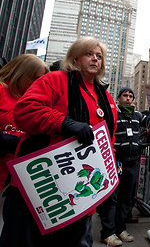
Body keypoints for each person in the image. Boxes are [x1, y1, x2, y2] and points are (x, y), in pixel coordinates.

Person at [0, 37, 117, 247]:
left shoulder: (105, 96)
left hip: (80, 194)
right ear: (75, 57)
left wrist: (110, 168)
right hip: (40, 188)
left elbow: (109, 138)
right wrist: (64, 123)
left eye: (99, 56)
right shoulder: (55, 80)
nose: (95, 59)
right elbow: (25, 110)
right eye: (89, 54)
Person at [97, 87, 150, 246]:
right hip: (115, 162)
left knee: (127, 199)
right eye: (125, 95)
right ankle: (108, 233)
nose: (128, 98)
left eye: (130, 96)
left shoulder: (137, 116)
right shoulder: (112, 114)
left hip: (132, 163)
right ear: (119, 98)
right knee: (112, 199)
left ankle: (120, 229)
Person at [0, 54, 49, 189]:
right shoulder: (2, 90)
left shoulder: (34, 101)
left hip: (14, 176)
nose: (38, 83)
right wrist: (9, 141)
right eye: (35, 78)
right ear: (22, 72)